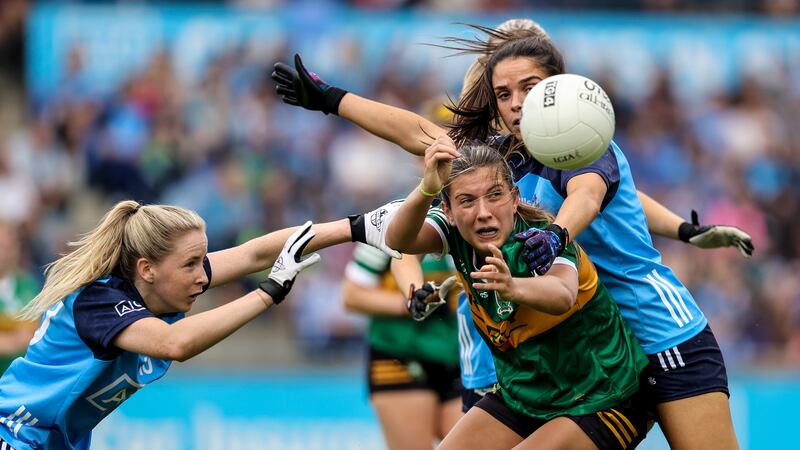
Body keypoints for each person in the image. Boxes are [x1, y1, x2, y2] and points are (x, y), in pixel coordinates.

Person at [271, 25, 753, 449]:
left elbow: (586, 196)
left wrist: (560, 235)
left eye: (530, 88)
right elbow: (420, 134)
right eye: (504, 94)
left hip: (660, 333)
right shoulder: (501, 158)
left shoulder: (584, 141)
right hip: (588, 351)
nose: (518, 102)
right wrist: (334, 100)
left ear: (559, 88)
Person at [0, 199, 398, 450]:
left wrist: (357, 228)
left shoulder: (160, 287)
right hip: (14, 435)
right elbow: (176, 344)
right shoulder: (100, 302)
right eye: (190, 264)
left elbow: (253, 252)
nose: (203, 277)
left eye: (202, 261)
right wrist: (268, 293)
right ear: (147, 269)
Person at [386, 138, 651, 449]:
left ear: (514, 198)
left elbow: (562, 292)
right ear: (449, 211)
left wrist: (513, 287)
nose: (483, 212)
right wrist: (427, 187)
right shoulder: (454, 231)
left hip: (606, 397)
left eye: (495, 195)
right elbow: (399, 241)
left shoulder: (541, 237)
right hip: (527, 395)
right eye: (467, 201)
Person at [342, 244, 462, 450]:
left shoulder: (468, 224)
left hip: (456, 358)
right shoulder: (386, 227)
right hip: (398, 356)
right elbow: (351, 296)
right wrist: (412, 304)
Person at [0, 222, 39, 374]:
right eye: (1, 246)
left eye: (10, 246)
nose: (5, 253)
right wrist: (15, 341)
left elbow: (35, 333)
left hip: (20, 380)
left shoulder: (28, 285)